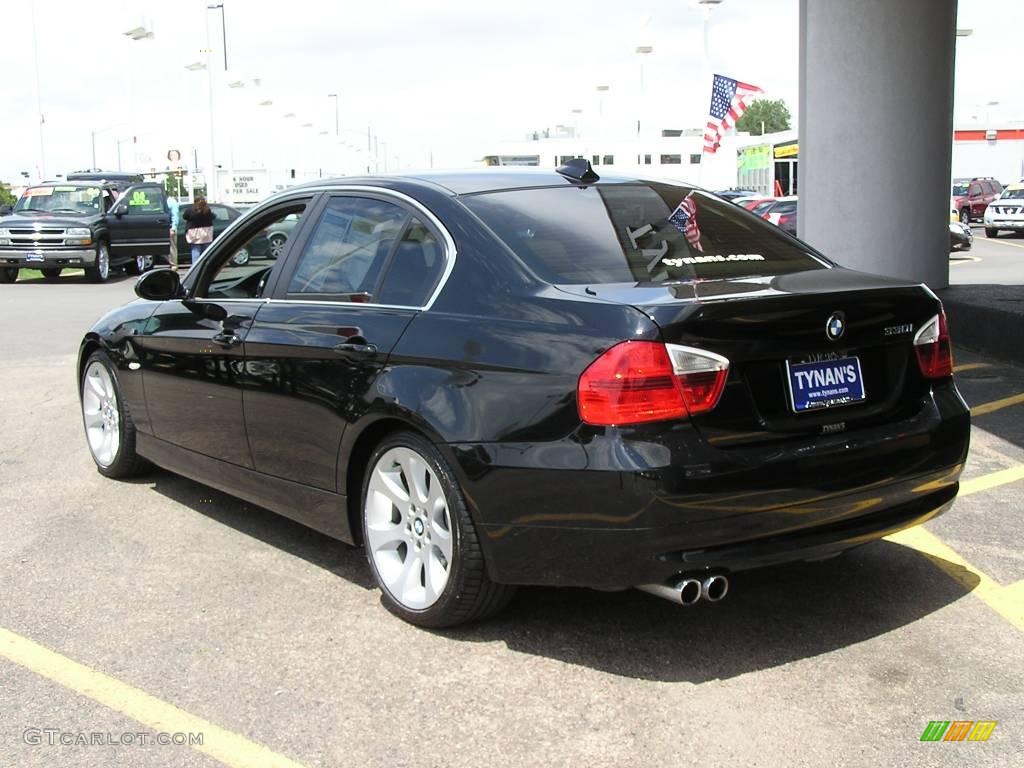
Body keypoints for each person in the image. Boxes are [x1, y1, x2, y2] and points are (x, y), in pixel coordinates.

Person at [183, 197, 217, 262]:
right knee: (206, 251)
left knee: (195, 250)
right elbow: (213, 217)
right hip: (206, 233)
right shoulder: (207, 210)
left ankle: (195, 266)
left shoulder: (190, 210)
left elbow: (184, 216)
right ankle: (205, 265)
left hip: (194, 233)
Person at [166, 195, 180, 271]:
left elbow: (175, 215)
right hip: (162, 226)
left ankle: (174, 265)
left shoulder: (172, 202)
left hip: (170, 227)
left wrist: (173, 228)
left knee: (172, 248)